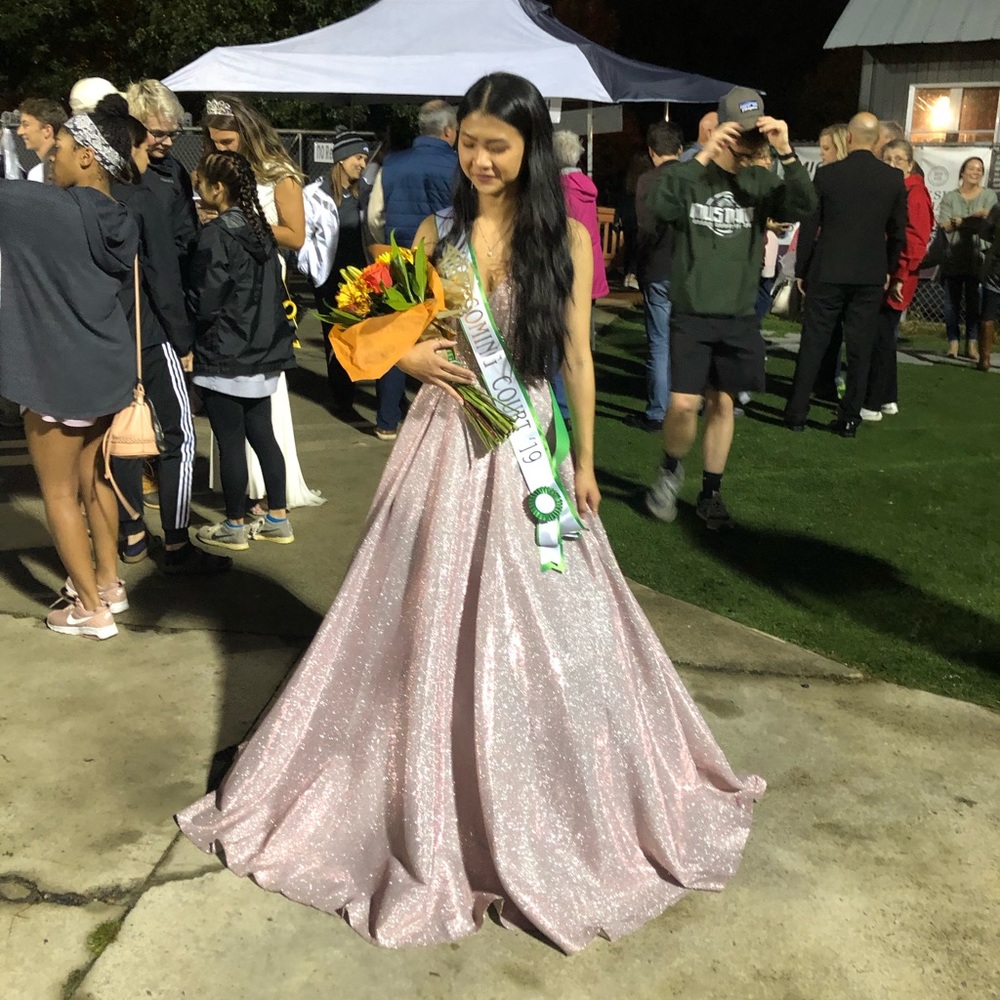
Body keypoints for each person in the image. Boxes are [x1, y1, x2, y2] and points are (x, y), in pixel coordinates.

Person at [177, 72, 764, 954]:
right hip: (443, 442)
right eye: (470, 143)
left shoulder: (563, 234)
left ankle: (547, 789)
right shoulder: (433, 232)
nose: (481, 159)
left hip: (527, 444)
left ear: (529, 147)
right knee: (418, 609)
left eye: (499, 144)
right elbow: (384, 323)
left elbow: (576, 358)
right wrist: (407, 355)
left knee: (553, 620)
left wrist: (587, 463)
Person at [643, 87, 817, 528]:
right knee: (683, 405)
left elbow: (804, 205)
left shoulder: (758, 181)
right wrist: (704, 155)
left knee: (723, 403)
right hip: (693, 312)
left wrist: (785, 150)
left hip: (738, 316)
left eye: (754, 131)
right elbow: (660, 206)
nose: (748, 142)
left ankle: (711, 492)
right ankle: (670, 469)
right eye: (742, 131)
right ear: (721, 129)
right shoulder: (692, 175)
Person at [0, 111, 139, 638]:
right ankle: (108, 582)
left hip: (55, 371)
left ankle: (88, 608)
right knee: (94, 477)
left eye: (57, 145)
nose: (48, 155)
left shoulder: (43, 209)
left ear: (86, 156)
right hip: (105, 367)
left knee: (56, 493)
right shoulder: (121, 215)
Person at [93, 95, 231, 574]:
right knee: (179, 435)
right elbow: (163, 273)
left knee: (119, 433)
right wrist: (184, 338)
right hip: (150, 331)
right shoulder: (144, 196)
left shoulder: (80, 200)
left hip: (103, 336)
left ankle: (131, 531)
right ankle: (175, 540)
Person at [203, 95, 324, 509]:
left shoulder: (280, 174)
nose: (219, 148)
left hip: (261, 280)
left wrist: (242, 222)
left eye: (226, 141)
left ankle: (268, 495)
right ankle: (242, 492)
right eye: (213, 141)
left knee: (260, 399)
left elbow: (295, 235)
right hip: (225, 276)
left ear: (247, 134)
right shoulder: (215, 170)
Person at [188, 151, 297, 550]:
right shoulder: (262, 231)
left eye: (201, 183)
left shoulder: (216, 235)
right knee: (264, 435)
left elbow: (206, 298)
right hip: (262, 351)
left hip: (224, 350)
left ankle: (234, 524)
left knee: (229, 440)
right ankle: (277, 517)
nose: (198, 189)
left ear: (218, 189)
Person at [784, 112, 907, 437]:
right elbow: (898, 233)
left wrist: (802, 270)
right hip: (868, 274)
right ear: (876, 139)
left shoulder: (827, 175)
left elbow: (810, 226)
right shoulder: (893, 179)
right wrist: (890, 270)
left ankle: (796, 412)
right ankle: (850, 417)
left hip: (827, 271)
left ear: (849, 138)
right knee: (859, 347)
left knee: (813, 343)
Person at [299, 131, 407, 440]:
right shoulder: (314, 194)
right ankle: (342, 396)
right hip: (330, 279)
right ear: (340, 160)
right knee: (336, 339)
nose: (362, 163)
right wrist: (309, 265)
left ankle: (372, 394)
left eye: (364, 157)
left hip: (364, 280)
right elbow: (303, 236)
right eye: (357, 157)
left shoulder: (366, 193)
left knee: (367, 339)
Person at [861, 139, 933, 421]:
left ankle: (873, 402)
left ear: (910, 163)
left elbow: (916, 242)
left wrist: (899, 276)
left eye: (898, 160)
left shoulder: (914, 193)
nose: (891, 164)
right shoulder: (896, 190)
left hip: (896, 276)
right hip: (888, 271)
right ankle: (888, 397)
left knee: (879, 338)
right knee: (884, 337)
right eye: (887, 159)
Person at [551, 128, 610, 420]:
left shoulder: (557, 191)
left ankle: (560, 408)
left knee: (560, 344)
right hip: (589, 275)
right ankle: (570, 406)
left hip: (564, 274)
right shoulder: (586, 187)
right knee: (579, 345)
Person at [632, 120, 682, 431]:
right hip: (690, 270)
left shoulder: (648, 181)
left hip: (659, 266)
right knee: (687, 341)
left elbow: (645, 229)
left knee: (661, 342)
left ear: (652, 152)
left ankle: (658, 410)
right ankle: (688, 402)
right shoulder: (695, 178)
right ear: (679, 149)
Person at [126, 80, 200, 282]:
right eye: (158, 134)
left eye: (173, 134)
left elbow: (187, 234)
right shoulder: (116, 169)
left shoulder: (174, 171)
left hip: (167, 280)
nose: (167, 142)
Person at [368, 99, 458, 246]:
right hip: (445, 256)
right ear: (448, 130)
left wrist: (388, 242)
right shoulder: (460, 167)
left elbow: (374, 216)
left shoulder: (391, 164)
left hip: (400, 258)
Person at [937, 156, 997, 360]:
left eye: (979, 169)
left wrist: (961, 221)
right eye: (971, 168)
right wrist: (973, 220)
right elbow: (945, 224)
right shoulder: (950, 198)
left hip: (977, 259)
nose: (976, 172)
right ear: (962, 172)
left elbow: (988, 222)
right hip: (953, 258)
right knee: (951, 304)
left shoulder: (989, 195)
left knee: (975, 303)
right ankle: (952, 343)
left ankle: (972, 344)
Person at [16, 98, 66, 182]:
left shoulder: (38, 174)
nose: (19, 132)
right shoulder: (73, 167)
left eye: (26, 125)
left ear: (47, 130)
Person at [976, 203, 1000, 370]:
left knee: (988, 312)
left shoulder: (997, 208)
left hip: (997, 263)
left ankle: (984, 359)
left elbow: (984, 232)